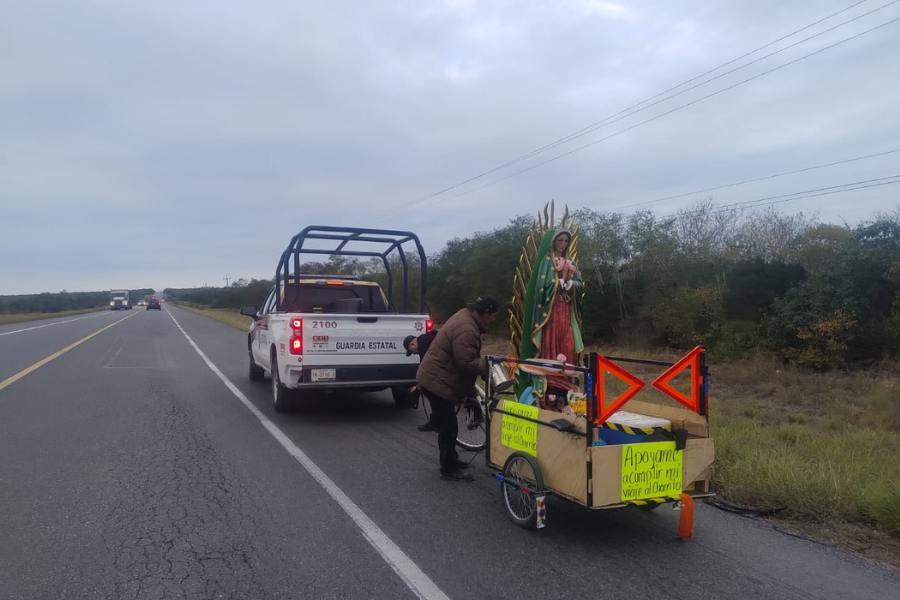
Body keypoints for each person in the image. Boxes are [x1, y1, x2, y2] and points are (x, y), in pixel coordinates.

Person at [416, 296, 499, 482]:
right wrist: (487, 365)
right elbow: (466, 362)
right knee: (448, 427)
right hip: (437, 382)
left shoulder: (466, 316)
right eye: (493, 315)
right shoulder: (467, 329)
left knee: (447, 423)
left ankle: (451, 458)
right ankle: (448, 469)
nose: (493, 319)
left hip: (435, 377)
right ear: (484, 312)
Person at [403, 331, 439, 432]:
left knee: (433, 393)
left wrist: (418, 387)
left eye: (412, 351)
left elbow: (426, 369)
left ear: (412, 344)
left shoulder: (424, 344)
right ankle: (435, 421)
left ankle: (436, 422)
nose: (414, 353)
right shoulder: (423, 342)